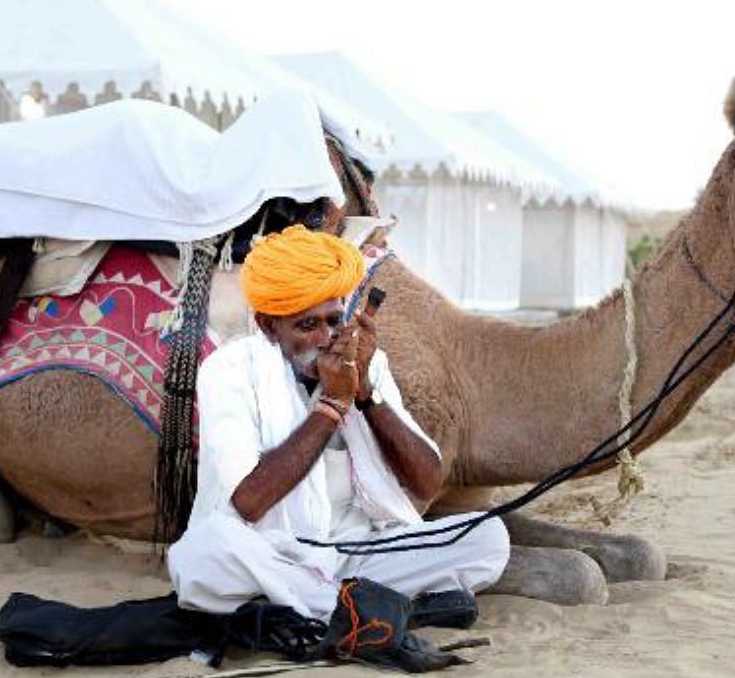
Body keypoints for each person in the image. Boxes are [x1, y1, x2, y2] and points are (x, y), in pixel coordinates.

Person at [167, 225, 509, 622]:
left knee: (487, 538)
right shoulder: (228, 370)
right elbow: (249, 501)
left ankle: (332, 608)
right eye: (307, 326)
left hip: (359, 551)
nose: (326, 338)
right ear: (267, 326)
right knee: (206, 553)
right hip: (269, 553)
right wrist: (331, 406)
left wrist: (365, 395)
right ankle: (367, 609)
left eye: (333, 320)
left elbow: (426, 483)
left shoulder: (367, 365)